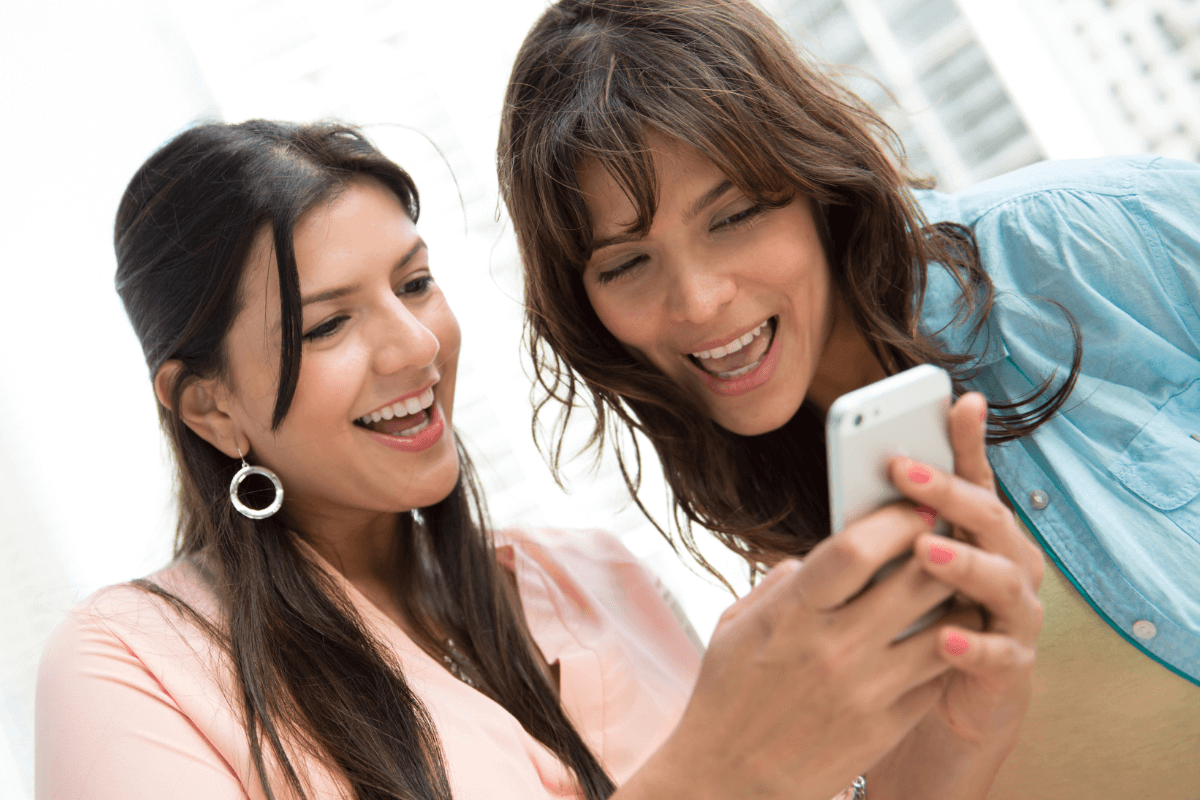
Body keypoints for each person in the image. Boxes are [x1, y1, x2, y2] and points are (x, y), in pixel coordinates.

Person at [35, 119, 1027, 800]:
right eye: (330, 322)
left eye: (415, 283)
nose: (414, 347)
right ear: (209, 407)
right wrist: (717, 766)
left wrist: (955, 728)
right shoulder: (130, 664)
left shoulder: (587, 576)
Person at [497, 0, 1200, 796]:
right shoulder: (776, 487)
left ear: (816, 186)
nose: (696, 301)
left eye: (732, 217)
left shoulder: (1074, 240)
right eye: (627, 264)